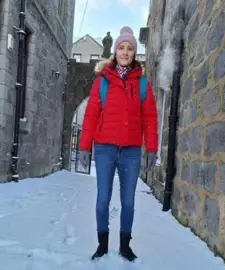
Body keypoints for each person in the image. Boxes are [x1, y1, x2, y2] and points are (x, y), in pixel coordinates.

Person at [78, 26, 158, 262]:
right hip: (104, 150)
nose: (125, 52)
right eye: (121, 47)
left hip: (131, 152)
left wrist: (152, 148)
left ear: (134, 52)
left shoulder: (142, 84)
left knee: (129, 201)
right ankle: (102, 245)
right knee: (103, 199)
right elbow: (91, 114)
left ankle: (124, 246)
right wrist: (84, 146)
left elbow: (150, 118)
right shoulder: (102, 82)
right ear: (115, 51)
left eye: (130, 48)